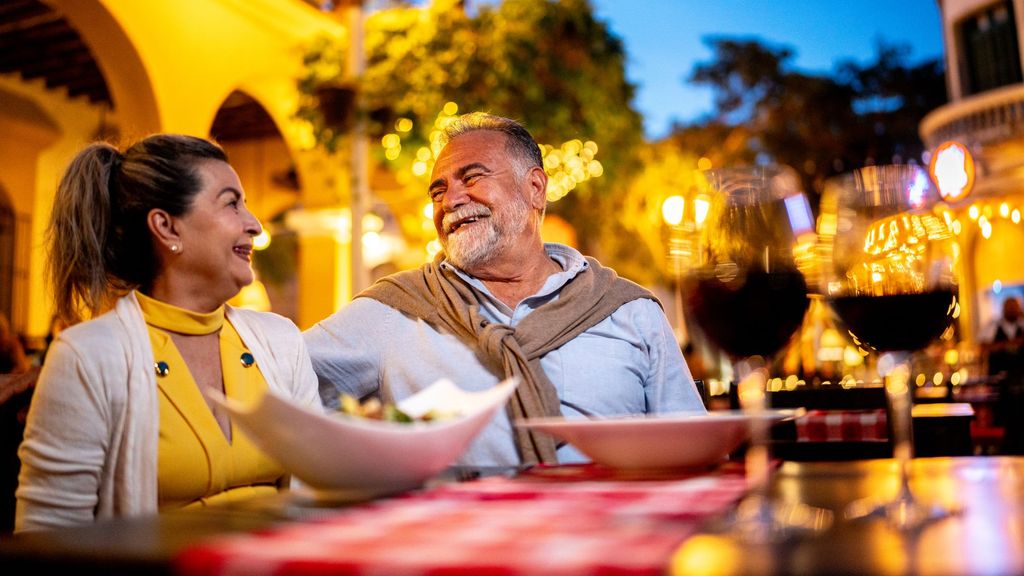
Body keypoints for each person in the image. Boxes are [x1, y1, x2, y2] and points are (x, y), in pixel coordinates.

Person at [305, 113, 704, 466]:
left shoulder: (628, 310)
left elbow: (693, 448)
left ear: (535, 188)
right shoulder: (394, 309)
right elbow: (271, 375)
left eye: (472, 177)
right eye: (437, 191)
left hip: (614, 535)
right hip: (451, 541)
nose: (451, 200)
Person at [15, 135, 320, 532]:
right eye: (232, 203)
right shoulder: (88, 355)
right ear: (166, 226)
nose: (255, 224)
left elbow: (320, 482)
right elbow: (46, 536)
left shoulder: (282, 341)